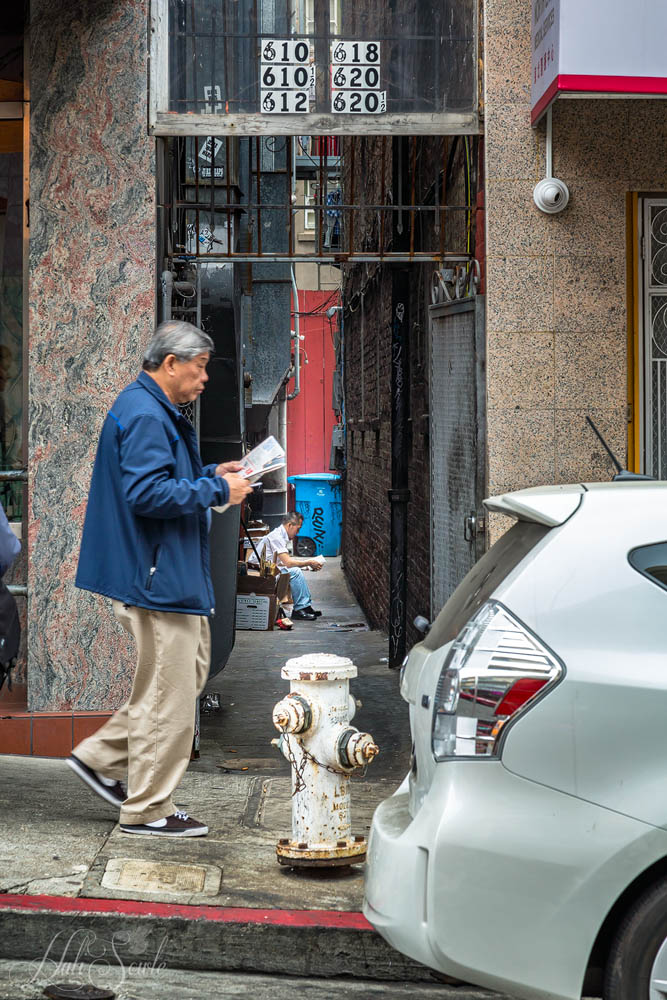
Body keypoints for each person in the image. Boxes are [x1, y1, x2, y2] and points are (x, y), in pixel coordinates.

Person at [68, 320, 251, 838]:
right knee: (169, 694)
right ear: (170, 363)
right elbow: (147, 495)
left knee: (180, 681)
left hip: (162, 571)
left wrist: (212, 475)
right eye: (199, 369)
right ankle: (147, 809)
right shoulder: (148, 414)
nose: (204, 380)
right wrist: (216, 494)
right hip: (159, 574)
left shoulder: (144, 407)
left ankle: (99, 759)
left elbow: (159, 483)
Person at [250, 511, 322, 621]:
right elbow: (288, 563)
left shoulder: (280, 536)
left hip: (268, 570)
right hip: (259, 574)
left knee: (296, 570)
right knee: (295, 572)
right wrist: (309, 562)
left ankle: (305, 606)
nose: (297, 533)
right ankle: (300, 609)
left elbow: (283, 562)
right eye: (298, 529)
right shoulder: (276, 537)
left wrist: (306, 566)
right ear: (289, 525)